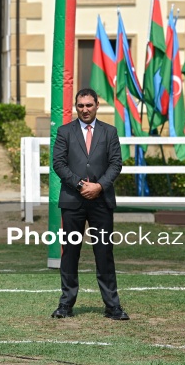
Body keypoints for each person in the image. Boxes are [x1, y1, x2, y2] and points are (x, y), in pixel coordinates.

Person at [51, 88, 129, 320]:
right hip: (73, 201)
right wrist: (80, 185)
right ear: (76, 107)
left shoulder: (109, 132)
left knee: (104, 253)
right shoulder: (64, 131)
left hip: (101, 202)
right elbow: (58, 163)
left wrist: (99, 186)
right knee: (70, 254)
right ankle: (66, 304)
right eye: (81, 105)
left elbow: (116, 163)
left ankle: (112, 306)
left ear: (97, 105)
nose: (85, 109)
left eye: (89, 105)